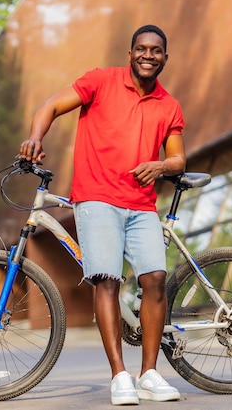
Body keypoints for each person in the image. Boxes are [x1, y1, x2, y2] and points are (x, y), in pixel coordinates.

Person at [19, 24, 186, 406]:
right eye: (141, 48)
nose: (148, 55)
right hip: (96, 198)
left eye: (156, 50)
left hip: (142, 204)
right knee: (107, 280)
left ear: (164, 57)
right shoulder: (100, 80)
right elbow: (51, 106)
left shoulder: (168, 105)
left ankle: (150, 373)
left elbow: (178, 157)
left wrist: (161, 166)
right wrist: (35, 137)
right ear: (130, 54)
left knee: (156, 280)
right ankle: (119, 376)